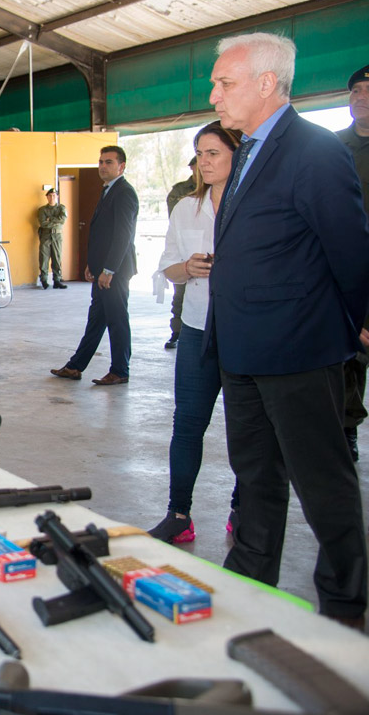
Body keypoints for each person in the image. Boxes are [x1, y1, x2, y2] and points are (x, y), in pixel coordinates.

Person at [205, 32, 369, 627]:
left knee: (323, 483)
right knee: (255, 478)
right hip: (243, 349)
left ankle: (348, 603)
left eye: (225, 83)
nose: (214, 95)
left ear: (267, 84)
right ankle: (252, 582)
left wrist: (355, 324)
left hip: (300, 349)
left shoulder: (315, 151)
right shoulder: (245, 151)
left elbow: (350, 251)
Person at [146, 123, 241, 543]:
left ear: (237, 156)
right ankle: (178, 513)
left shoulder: (256, 204)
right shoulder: (186, 207)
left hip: (246, 333)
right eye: (200, 153)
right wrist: (187, 270)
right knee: (187, 424)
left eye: (214, 153)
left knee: (246, 429)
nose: (204, 161)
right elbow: (167, 265)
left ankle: (243, 511)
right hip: (198, 331)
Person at [51, 146, 139, 385]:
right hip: (103, 270)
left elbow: (123, 235)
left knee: (117, 319)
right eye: (100, 161)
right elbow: (101, 234)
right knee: (97, 319)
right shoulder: (108, 190)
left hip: (115, 272)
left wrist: (109, 270)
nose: (102, 166)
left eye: (108, 162)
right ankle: (75, 366)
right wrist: (93, 264)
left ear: (121, 166)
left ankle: (120, 370)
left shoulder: (124, 193)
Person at [336, 63, 369, 461]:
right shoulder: (333, 146)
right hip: (347, 263)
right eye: (356, 93)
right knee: (348, 349)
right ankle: (347, 427)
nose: (361, 100)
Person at [163, 158, 197, 349]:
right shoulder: (180, 191)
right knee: (180, 295)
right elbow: (178, 218)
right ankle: (176, 331)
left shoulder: (218, 187)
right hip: (184, 251)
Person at [36, 189, 67, 290]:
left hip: (57, 236)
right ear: (47, 197)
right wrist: (55, 221)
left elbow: (62, 220)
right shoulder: (42, 210)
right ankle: (44, 280)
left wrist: (50, 220)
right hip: (45, 236)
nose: (52, 197)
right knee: (44, 258)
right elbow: (43, 223)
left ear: (57, 196)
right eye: (50, 195)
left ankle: (57, 280)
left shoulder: (61, 208)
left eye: (54, 195)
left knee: (57, 258)